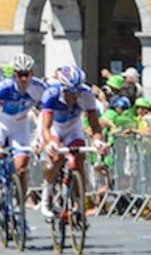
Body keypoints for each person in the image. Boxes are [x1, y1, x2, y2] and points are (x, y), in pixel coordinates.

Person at [38, 65, 106, 219]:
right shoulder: (51, 94)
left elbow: (95, 125)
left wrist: (97, 141)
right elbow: (46, 127)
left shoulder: (87, 94)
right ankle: (47, 195)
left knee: (79, 159)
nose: (75, 96)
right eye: (71, 92)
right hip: (55, 128)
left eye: (77, 91)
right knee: (56, 158)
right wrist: (50, 143)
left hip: (73, 128)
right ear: (63, 89)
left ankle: (79, 202)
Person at [0, 53, 47, 213]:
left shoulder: (39, 88)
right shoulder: (4, 87)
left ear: (32, 74)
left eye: (27, 74)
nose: (24, 79)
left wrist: (40, 139)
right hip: (2, 124)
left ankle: (20, 208)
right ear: (14, 75)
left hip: (20, 126)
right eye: (20, 75)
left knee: (21, 168)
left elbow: (45, 115)